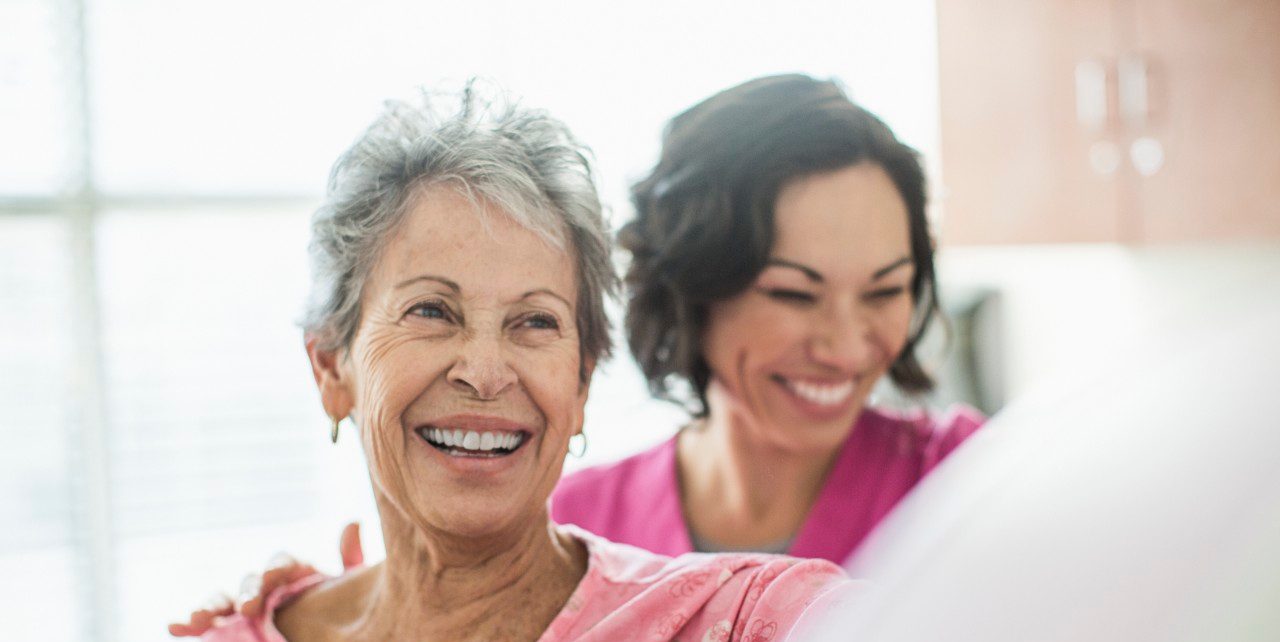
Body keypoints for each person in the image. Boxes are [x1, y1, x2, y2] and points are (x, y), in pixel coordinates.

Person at [175, 85, 856, 641]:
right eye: (432, 311)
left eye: (535, 322)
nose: (485, 370)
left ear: (582, 382)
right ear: (330, 367)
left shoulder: (739, 620)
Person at [549, 74, 983, 561]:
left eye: (883, 291)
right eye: (794, 294)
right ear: (690, 290)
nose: (844, 349)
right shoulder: (571, 530)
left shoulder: (974, 481)